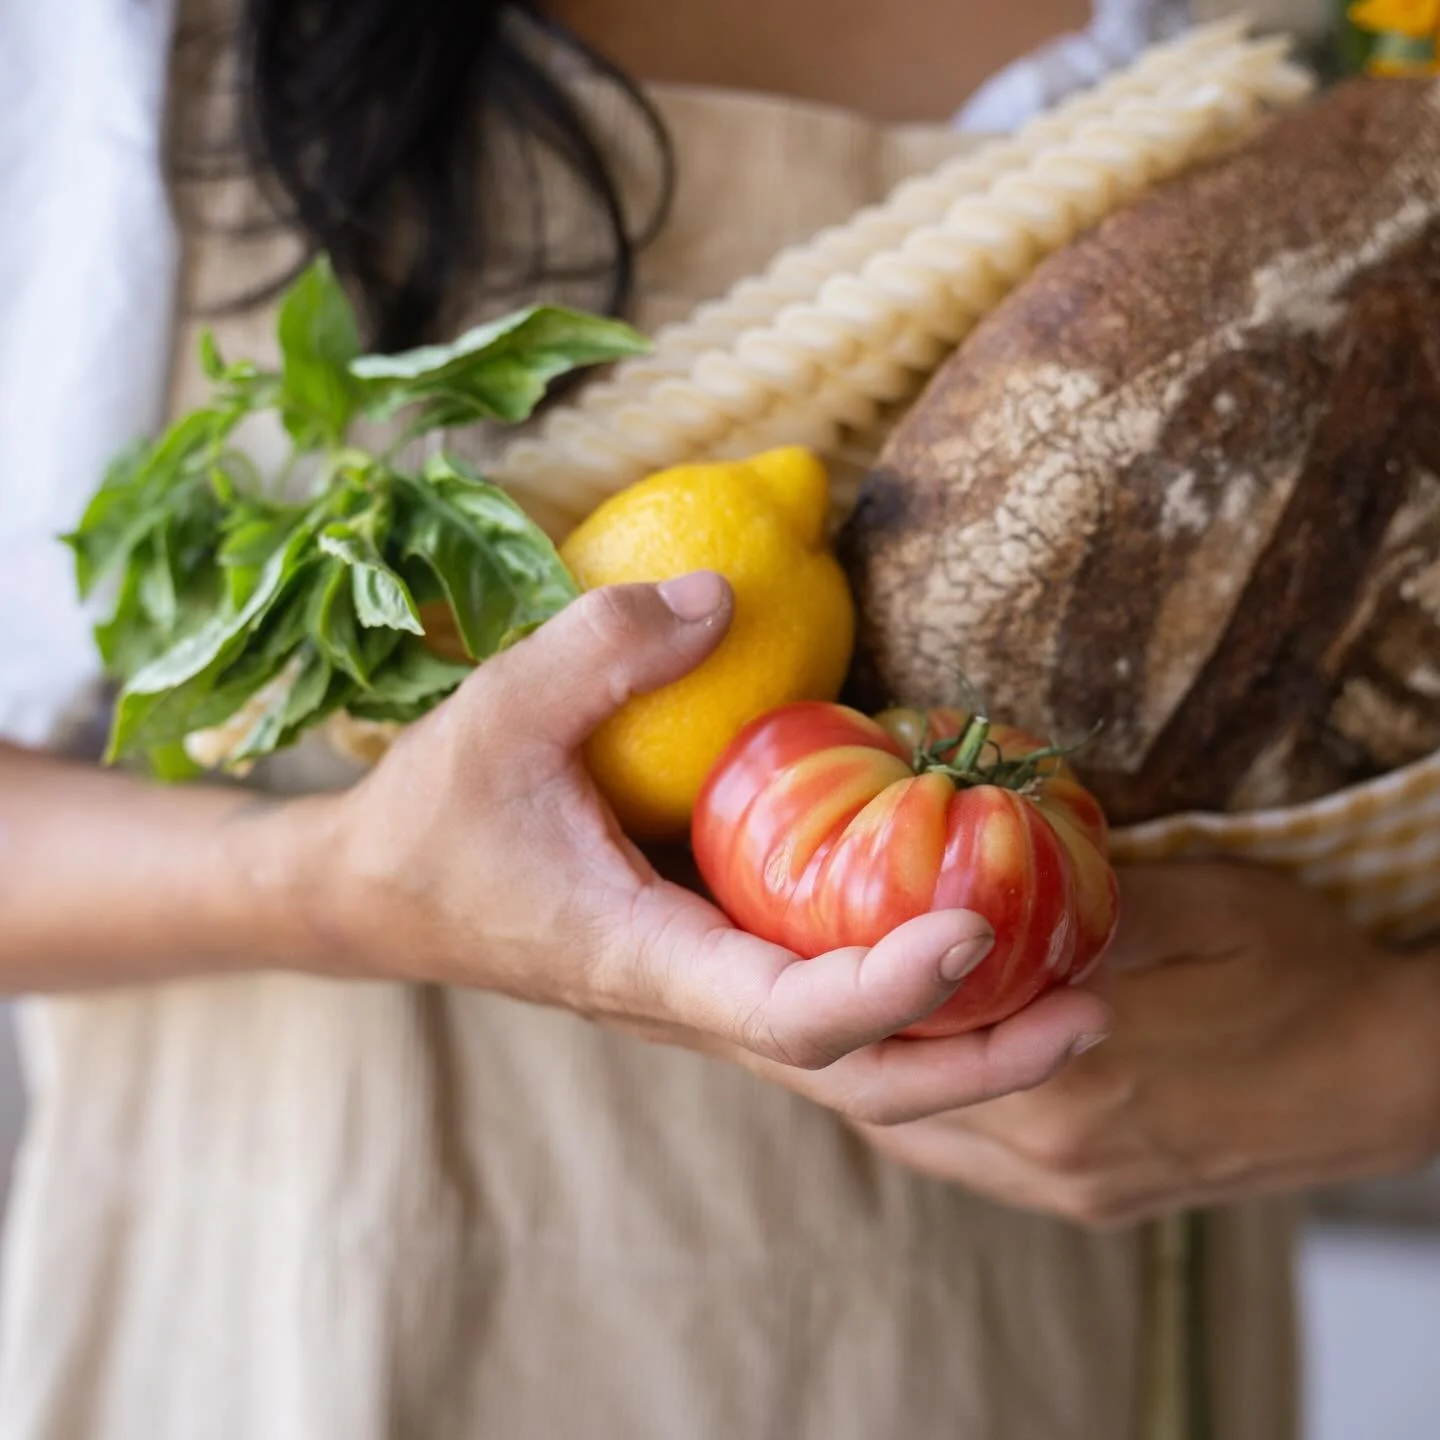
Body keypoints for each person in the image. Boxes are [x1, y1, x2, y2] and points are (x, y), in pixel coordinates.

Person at [0, 0, 1431, 1437]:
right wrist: (344, 887)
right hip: (294, 1330)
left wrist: (1383, 1064)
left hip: (1018, 1357)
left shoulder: (1331, 23)